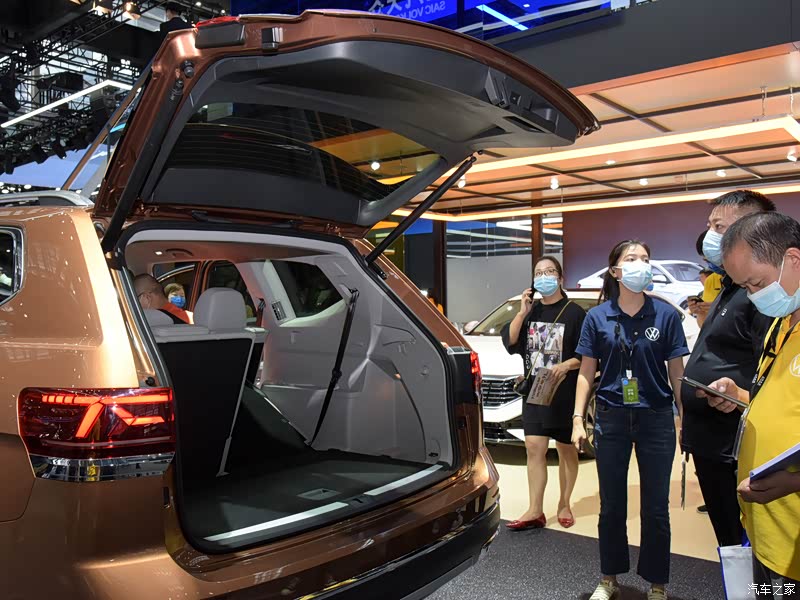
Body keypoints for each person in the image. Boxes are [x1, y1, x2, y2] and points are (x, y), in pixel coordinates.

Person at [572, 240, 688, 600]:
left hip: (656, 418)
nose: (641, 264)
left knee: (656, 507)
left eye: (646, 259)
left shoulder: (666, 315)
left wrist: (684, 418)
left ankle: (657, 583)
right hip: (611, 418)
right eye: (632, 258)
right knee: (611, 505)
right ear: (615, 271)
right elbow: (586, 372)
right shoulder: (597, 318)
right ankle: (609, 578)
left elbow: (677, 373)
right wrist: (577, 418)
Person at [705, 212, 800, 595]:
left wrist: (794, 481)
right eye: (744, 287)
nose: (753, 295)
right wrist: (742, 397)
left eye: (757, 283)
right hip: (767, 531)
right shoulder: (782, 324)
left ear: (793, 259)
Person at [681, 190, 775, 549]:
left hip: (735, 445)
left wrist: (740, 395)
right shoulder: (731, 287)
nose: (710, 236)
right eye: (710, 225)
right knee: (731, 543)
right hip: (711, 441)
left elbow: (769, 372)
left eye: (719, 227)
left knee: (748, 546)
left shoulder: (762, 295)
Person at [502, 256, 587, 531]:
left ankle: (564, 503)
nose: (543, 276)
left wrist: (565, 366)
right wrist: (521, 312)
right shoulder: (531, 312)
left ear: (560, 279)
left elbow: (587, 355)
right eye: (538, 273)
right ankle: (535, 509)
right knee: (534, 448)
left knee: (565, 449)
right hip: (535, 393)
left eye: (549, 271)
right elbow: (511, 341)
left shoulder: (575, 313)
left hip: (564, 394)